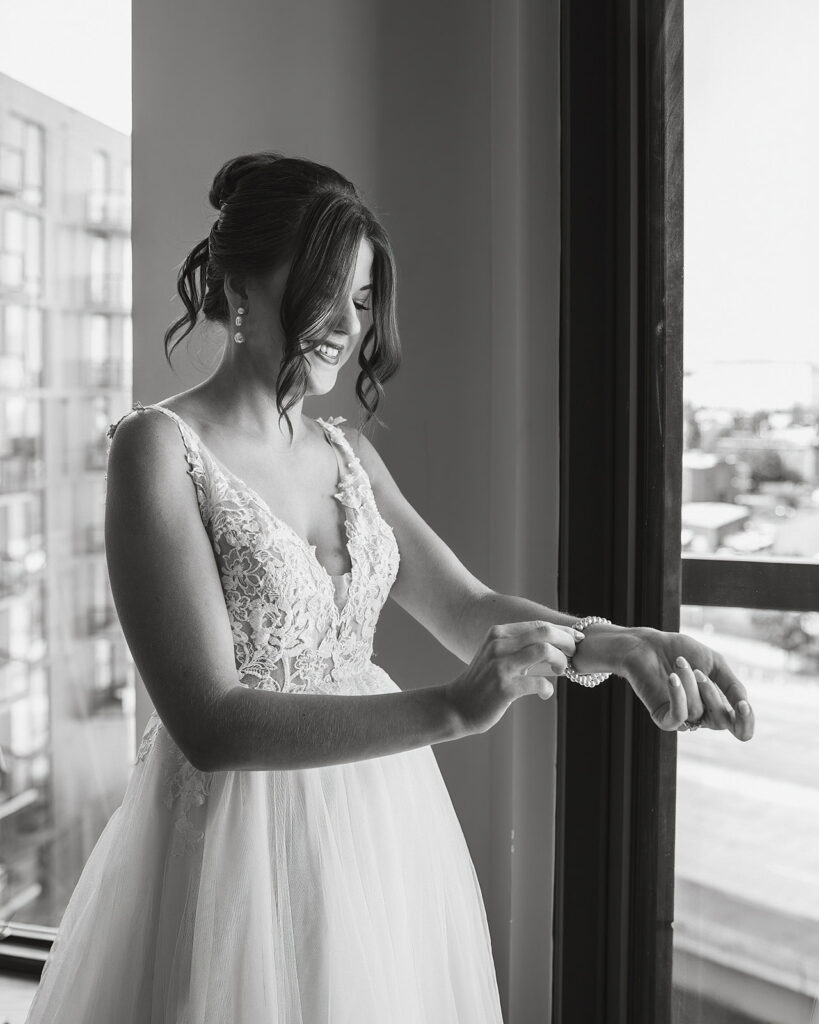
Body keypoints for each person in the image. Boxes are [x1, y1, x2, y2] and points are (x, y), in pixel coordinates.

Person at [24, 152, 754, 1024]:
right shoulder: (157, 449)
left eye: (363, 296)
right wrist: (449, 710)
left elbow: (468, 608)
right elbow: (210, 722)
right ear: (240, 284)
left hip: (377, 830)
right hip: (230, 851)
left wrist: (629, 645)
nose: (346, 321)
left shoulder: (347, 456)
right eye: (325, 287)